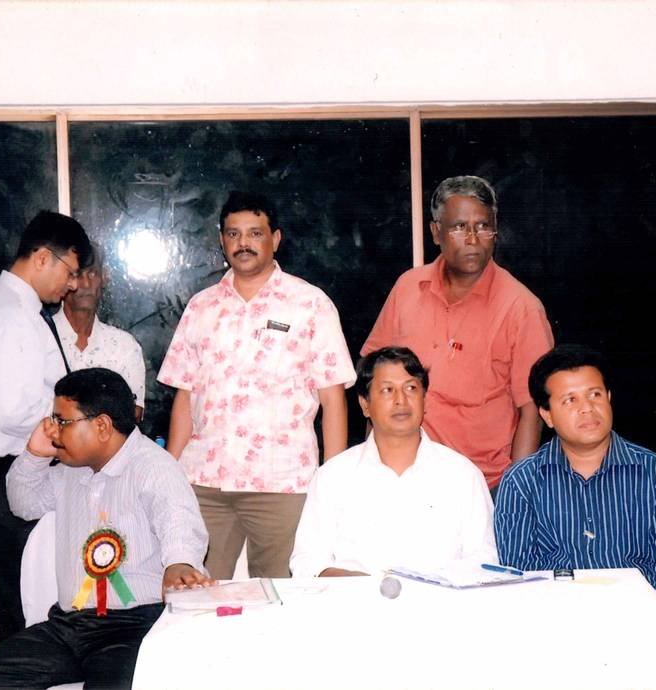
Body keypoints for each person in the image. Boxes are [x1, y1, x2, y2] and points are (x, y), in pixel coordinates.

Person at [0, 367, 210, 690]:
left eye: (62, 421)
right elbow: (23, 504)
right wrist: (34, 454)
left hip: (134, 628)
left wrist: (179, 563)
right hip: (68, 626)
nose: (53, 431)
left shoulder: (154, 467)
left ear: (102, 426)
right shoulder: (71, 470)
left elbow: (178, 522)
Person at [494, 345, 656, 690]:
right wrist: (580, 632)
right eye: (570, 400)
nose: (587, 408)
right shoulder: (521, 482)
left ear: (609, 398)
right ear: (547, 414)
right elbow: (521, 577)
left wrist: (621, 626)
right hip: (556, 637)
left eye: (594, 394)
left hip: (646, 629)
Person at [158, 191, 356, 581]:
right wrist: (171, 472)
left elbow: (333, 399)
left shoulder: (310, 304)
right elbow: (185, 394)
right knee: (196, 595)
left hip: (282, 484)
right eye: (233, 234)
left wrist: (332, 482)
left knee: (283, 599)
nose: (243, 243)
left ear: (275, 239)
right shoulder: (201, 306)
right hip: (204, 482)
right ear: (222, 240)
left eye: (255, 233)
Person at [362, 175, 553, 491]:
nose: (473, 238)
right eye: (460, 227)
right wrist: (371, 466)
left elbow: (531, 411)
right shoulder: (408, 288)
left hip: (483, 484)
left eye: (483, 226)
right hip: (401, 477)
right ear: (436, 232)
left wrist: (516, 494)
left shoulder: (521, 308)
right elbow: (374, 377)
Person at [0, 210, 92, 642]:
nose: (71, 285)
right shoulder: (9, 317)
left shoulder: (18, 311)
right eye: (70, 272)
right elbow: (13, 409)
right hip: (17, 474)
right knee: (26, 607)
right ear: (42, 258)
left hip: (22, 473)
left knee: (34, 602)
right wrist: (75, 422)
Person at [290, 346, 496, 577]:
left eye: (411, 388)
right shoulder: (334, 476)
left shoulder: (462, 475)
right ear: (365, 405)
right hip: (354, 598)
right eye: (387, 390)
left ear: (425, 400)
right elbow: (306, 562)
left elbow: (485, 561)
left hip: (438, 598)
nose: (401, 400)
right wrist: (364, 587)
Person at [54, 247, 146, 421]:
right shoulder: (40, 335)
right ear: (63, 279)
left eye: (92, 274)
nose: (86, 284)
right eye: (77, 275)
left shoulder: (124, 346)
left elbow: (132, 415)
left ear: (104, 277)